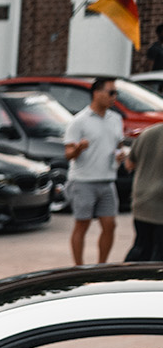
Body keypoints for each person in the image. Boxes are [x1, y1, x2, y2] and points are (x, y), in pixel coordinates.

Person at [65, 77, 130, 265]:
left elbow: (118, 144)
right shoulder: (79, 121)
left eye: (116, 93)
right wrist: (79, 148)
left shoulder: (115, 119)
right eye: (111, 92)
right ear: (96, 93)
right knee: (82, 225)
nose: (114, 97)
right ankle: (79, 268)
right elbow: (68, 154)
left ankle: (101, 265)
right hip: (83, 181)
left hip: (107, 180)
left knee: (110, 225)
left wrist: (120, 154)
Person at [126, 116, 163, 260]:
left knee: (141, 246)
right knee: (158, 254)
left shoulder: (147, 132)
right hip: (159, 206)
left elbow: (129, 164)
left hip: (141, 201)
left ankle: (129, 272)